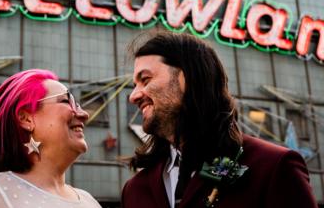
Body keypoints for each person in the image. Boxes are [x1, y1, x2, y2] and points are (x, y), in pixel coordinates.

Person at [121, 31, 317, 208]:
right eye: (135, 84)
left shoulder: (273, 167)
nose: (134, 96)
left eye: (145, 80)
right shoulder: (135, 189)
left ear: (186, 78)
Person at [0, 69, 101, 208]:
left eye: (77, 104)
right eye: (65, 101)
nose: (83, 114)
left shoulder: (88, 200)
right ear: (26, 119)